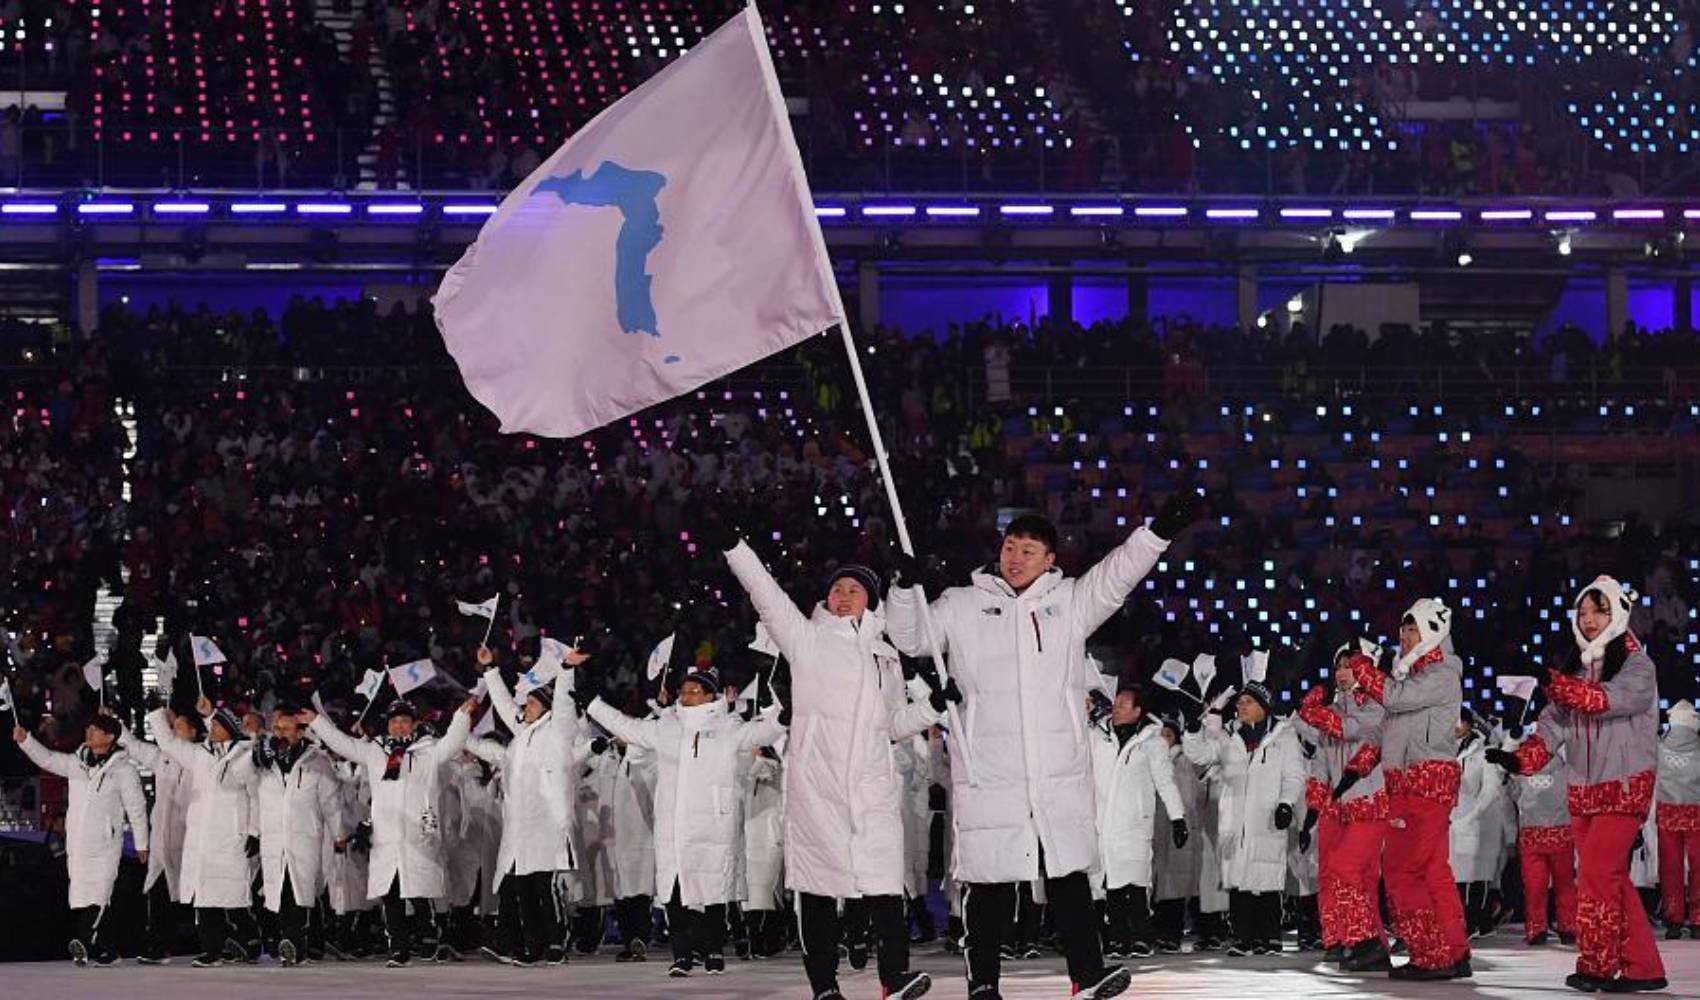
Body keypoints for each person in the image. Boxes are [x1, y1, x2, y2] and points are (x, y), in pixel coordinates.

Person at [886, 493, 1203, 1000]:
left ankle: (1087, 972)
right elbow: (911, 638)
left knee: (1068, 875)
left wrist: (1158, 531)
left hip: (1056, 768)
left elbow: (1119, 574)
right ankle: (983, 982)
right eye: (1010, 547)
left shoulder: (1071, 603)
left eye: (1029, 550)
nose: (1015, 557)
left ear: (1050, 560)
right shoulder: (962, 603)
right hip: (991, 768)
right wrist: (903, 588)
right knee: (988, 882)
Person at [715, 531, 941, 1000]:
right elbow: (766, 594)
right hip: (818, 785)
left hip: (871, 785)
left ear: (870, 602)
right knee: (817, 888)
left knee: (883, 885)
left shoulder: (886, 657)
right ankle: (824, 985)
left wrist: (932, 708)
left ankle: (893, 977)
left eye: (853, 591)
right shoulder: (806, 639)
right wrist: (736, 550)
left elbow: (894, 722)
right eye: (837, 589)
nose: (842, 597)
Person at [1489, 576, 1667, 992]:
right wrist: (1518, 759)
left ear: (1618, 613)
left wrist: (1551, 681)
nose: (1588, 620)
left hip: (1624, 785)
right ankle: (1644, 968)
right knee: (1608, 877)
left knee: (1598, 875)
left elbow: (1601, 702)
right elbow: (1552, 727)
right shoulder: (1575, 671)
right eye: (1582, 612)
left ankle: (1598, 965)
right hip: (1584, 789)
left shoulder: (1638, 666)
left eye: (1598, 610)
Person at [583, 665, 786, 978]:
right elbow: (628, 727)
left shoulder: (727, 727)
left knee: (713, 892)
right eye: (684, 691)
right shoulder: (667, 727)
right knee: (675, 894)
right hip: (673, 826)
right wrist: (594, 704)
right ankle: (682, 956)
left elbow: (760, 732)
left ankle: (714, 950)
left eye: (695, 691)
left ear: (710, 695)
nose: (687, 696)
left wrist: (783, 714)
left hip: (713, 826)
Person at [300, 694, 477, 966]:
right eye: (394, 721)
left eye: (405, 721)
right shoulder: (375, 751)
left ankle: (430, 933)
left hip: (416, 833)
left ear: (415, 724)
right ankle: (399, 949)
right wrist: (316, 721)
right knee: (390, 894)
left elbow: (453, 743)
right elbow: (343, 744)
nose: (398, 726)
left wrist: (462, 717)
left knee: (418, 890)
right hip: (386, 836)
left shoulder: (427, 752)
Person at [1347, 597, 1472, 979]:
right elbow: (1393, 726)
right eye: (1403, 628)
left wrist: (1360, 666)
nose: (1404, 635)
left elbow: (1394, 699)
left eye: (1412, 628)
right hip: (1414, 783)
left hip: (1423, 783)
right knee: (1434, 871)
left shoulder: (1441, 672)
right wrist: (1360, 766)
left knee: (1402, 871)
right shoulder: (1414, 675)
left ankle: (1430, 957)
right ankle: (1453, 950)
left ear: (1434, 631)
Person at [473, 645, 588, 966]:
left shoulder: (558, 731)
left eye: (533, 702)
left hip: (548, 827)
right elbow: (503, 703)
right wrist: (491, 669)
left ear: (547, 708)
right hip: (521, 829)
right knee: (524, 892)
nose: (526, 706)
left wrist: (566, 669)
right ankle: (534, 946)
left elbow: (564, 703)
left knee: (545, 890)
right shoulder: (522, 734)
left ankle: (556, 943)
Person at [14, 713, 150, 966]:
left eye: (96, 730)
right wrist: (26, 741)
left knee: (99, 893)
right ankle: (107, 950)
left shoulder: (124, 771)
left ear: (110, 737)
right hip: (78, 843)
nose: (89, 733)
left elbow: (137, 808)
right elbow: (49, 759)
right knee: (82, 896)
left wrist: (142, 843)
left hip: (105, 844)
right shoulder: (77, 763)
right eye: (88, 728)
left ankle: (85, 943)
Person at [1182, 680, 1303, 956]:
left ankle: (1270, 936)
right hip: (1235, 819)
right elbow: (1200, 755)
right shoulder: (1228, 737)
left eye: (1247, 702)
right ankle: (1243, 938)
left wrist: (1286, 804)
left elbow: (1294, 775)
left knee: (1267, 877)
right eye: (1239, 703)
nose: (1240, 706)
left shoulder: (1283, 737)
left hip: (1268, 817)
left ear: (1263, 706)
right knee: (1239, 879)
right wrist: (1192, 732)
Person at [221, 704, 344, 966]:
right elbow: (235, 779)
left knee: (297, 892)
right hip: (274, 840)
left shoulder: (317, 761)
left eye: (286, 729)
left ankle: (293, 942)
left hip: (304, 837)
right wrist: (255, 755)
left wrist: (339, 833)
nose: (280, 733)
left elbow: (331, 802)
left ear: (300, 732)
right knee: (277, 893)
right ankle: (290, 943)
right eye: (276, 728)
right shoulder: (265, 761)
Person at [1294, 642, 1391, 972]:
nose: (1342, 673)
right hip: (1338, 807)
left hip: (1369, 801)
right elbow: (1320, 765)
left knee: (1349, 872)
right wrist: (1310, 814)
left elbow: (1349, 729)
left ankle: (1366, 941)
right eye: (1338, 667)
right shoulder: (1332, 711)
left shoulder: (1378, 706)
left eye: (1349, 666)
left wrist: (1313, 713)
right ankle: (1339, 938)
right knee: (1333, 874)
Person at [144, 697, 261, 967]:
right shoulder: (199, 754)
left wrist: (255, 831)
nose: (213, 729)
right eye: (212, 725)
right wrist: (155, 715)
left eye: (219, 725)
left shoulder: (245, 756)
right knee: (205, 896)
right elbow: (169, 743)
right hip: (202, 839)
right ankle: (212, 950)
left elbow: (255, 796)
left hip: (231, 836)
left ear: (229, 729)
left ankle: (249, 940)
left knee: (231, 895)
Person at [1089, 683, 1185, 961]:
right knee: (1112, 887)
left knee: (1136, 885)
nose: (1116, 709)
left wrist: (1177, 817)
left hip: (1134, 823)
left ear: (1138, 711)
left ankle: (1141, 938)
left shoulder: (1152, 743)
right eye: (1115, 704)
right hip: (1104, 823)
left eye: (1122, 705)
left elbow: (1165, 782)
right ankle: (1117, 939)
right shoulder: (1098, 737)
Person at [119, 710, 196, 964]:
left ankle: (221, 941)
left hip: (190, 838)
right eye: (173, 726)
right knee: (159, 891)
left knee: (194, 894)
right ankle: (158, 944)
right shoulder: (162, 757)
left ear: (194, 732)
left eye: (181, 726)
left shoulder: (201, 759)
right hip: (161, 840)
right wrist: (114, 722)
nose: (174, 730)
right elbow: (133, 745)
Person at [1505, 732, 1577, 946]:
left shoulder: (1522, 772)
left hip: (1532, 834)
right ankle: (1568, 927)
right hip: (1561, 834)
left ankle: (1537, 930)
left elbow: (1513, 795)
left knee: (1535, 887)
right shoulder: (1565, 770)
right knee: (1564, 885)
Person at [1149, 715, 1204, 954]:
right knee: (1157, 886)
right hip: (1155, 830)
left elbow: (1191, 796)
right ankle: (1157, 932)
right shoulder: (1152, 759)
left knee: (1174, 886)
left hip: (1178, 829)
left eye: (1169, 735)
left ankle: (1171, 934)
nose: (1164, 740)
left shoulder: (1184, 761)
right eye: (1161, 735)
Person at [1451, 709, 1498, 938]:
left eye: (1459, 720)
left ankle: (1471, 923)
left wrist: (1472, 816)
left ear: (1470, 723)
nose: (1455, 725)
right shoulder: (1440, 749)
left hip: (1471, 822)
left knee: (1471, 877)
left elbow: (1490, 790)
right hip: (1445, 822)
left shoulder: (1483, 752)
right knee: (1449, 877)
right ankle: (1453, 922)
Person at [1655, 700, 1699, 938]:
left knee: (1670, 868)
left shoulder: (1658, 747)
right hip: (1696, 813)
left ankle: (1673, 920)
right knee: (1699, 869)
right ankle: (1698, 920)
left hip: (1667, 813)